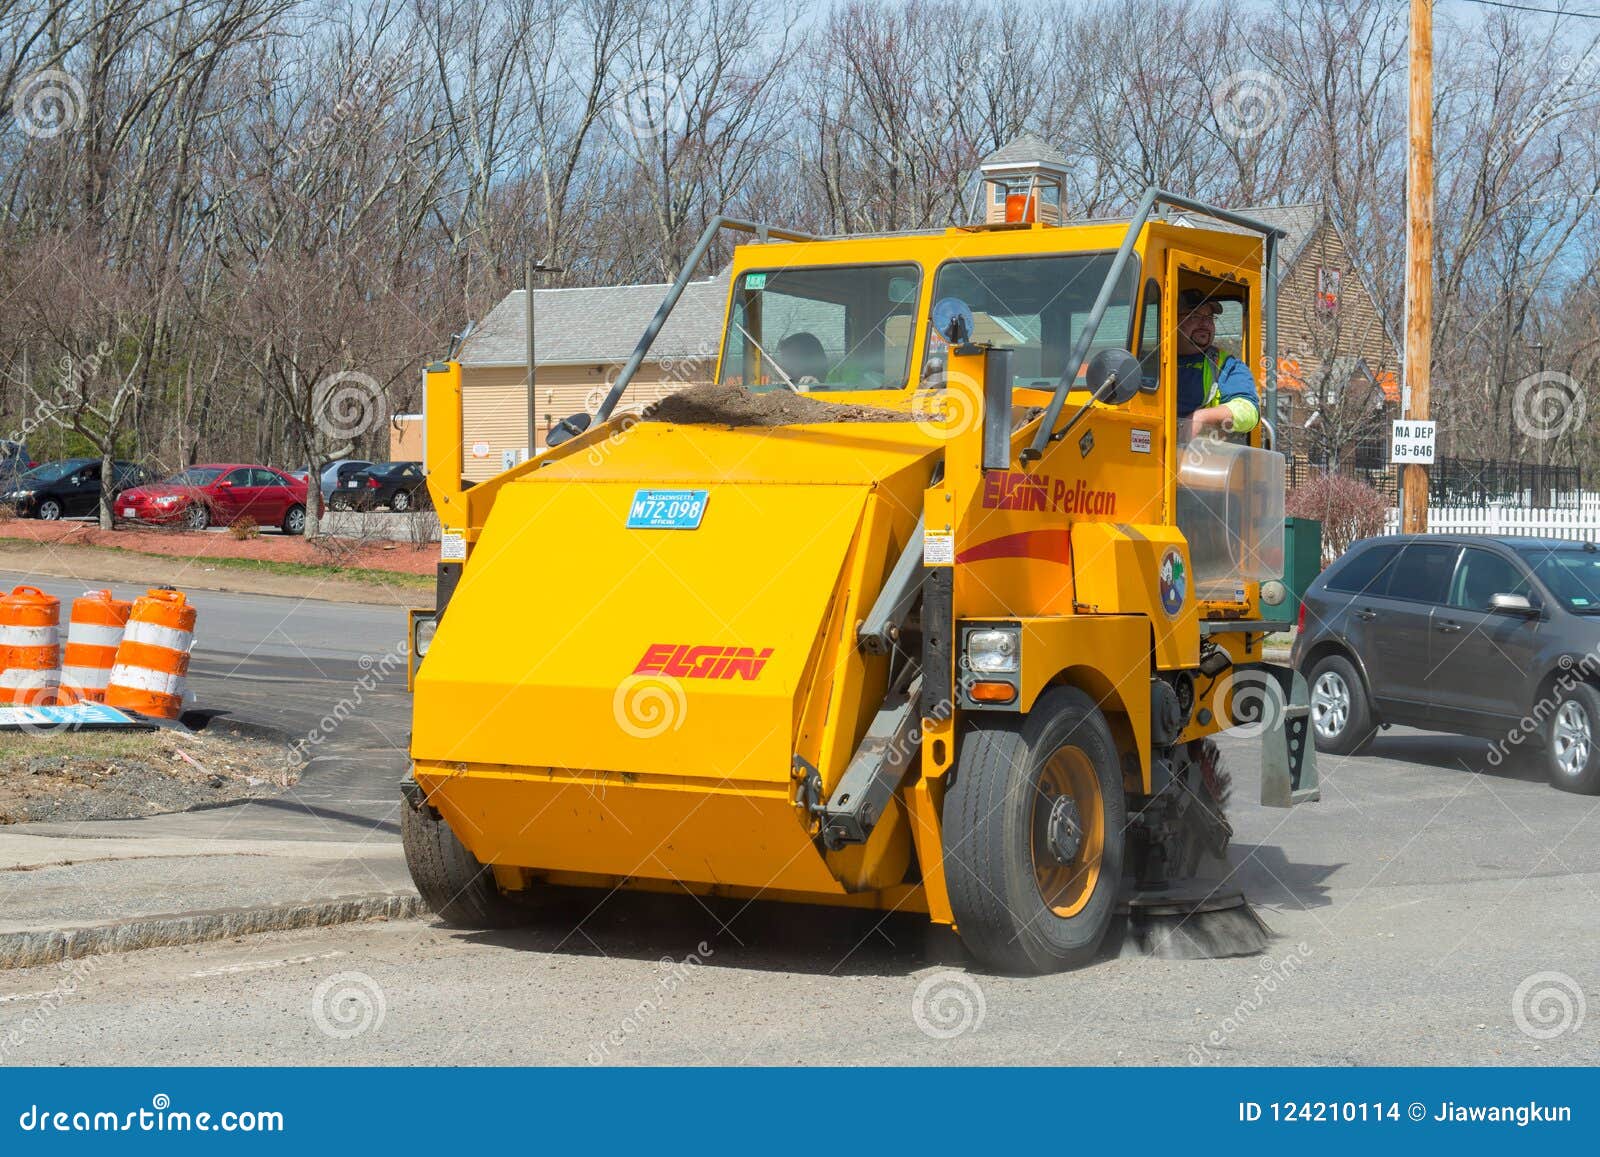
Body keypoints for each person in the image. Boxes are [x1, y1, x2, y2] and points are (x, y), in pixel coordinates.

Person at [1175, 288, 1260, 437]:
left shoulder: (1227, 365)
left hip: (1199, 457)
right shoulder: (1152, 362)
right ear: (1170, 319)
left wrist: (1201, 418)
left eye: (1209, 317)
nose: (1205, 324)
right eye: (1195, 316)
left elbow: (1249, 411)